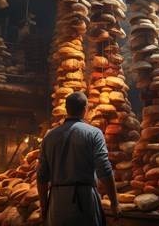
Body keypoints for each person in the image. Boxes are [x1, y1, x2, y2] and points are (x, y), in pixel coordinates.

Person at [37, 91, 122, 226]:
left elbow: (42, 176)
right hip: (85, 202)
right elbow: (104, 170)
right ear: (85, 110)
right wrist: (114, 202)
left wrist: (44, 207)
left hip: (57, 203)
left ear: (66, 110)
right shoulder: (94, 134)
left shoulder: (49, 137)